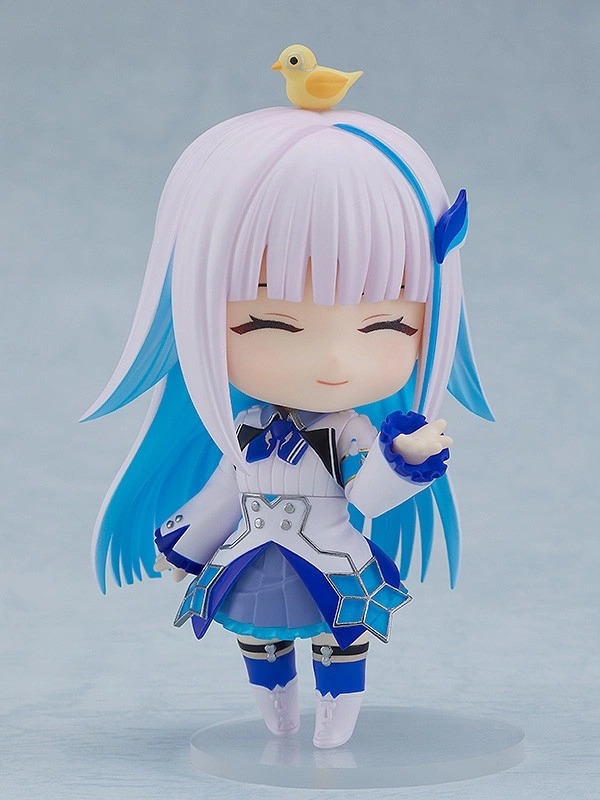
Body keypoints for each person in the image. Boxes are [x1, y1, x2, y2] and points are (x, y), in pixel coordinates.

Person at [83, 104, 492, 749]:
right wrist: (184, 548)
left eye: (387, 325)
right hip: (253, 555)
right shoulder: (244, 428)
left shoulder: (351, 432)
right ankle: (278, 717)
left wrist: (406, 459)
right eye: (272, 324)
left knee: (340, 637)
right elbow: (221, 496)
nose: (333, 362)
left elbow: (367, 498)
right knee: (259, 638)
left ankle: (335, 722)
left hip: (331, 559)